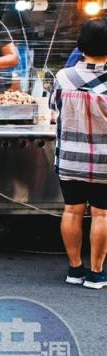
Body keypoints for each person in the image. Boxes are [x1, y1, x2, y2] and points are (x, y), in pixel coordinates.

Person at [49, 19, 107, 290]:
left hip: (70, 158)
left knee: (72, 210)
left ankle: (74, 269)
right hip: (103, 160)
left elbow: (53, 109)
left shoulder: (63, 77)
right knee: (101, 215)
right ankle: (96, 273)